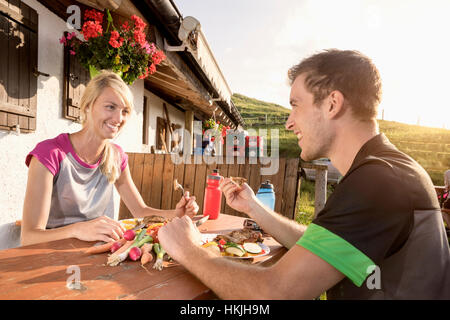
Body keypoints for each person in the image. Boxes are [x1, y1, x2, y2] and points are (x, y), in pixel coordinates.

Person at [158, 49, 450, 299]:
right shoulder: (387, 169)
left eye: (295, 105)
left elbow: (275, 292)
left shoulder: (378, 181)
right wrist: (253, 208)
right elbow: (320, 250)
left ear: (332, 104)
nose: (288, 122)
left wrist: (189, 248)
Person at [21, 70, 199, 246]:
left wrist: (177, 214)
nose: (118, 118)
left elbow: (140, 211)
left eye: (125, 111)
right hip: (49, 259)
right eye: (110, 107)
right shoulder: (49, 153)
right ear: (88, 106)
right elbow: (29, 236)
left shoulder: (117, 156)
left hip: (98, 255)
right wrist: (78, 229)